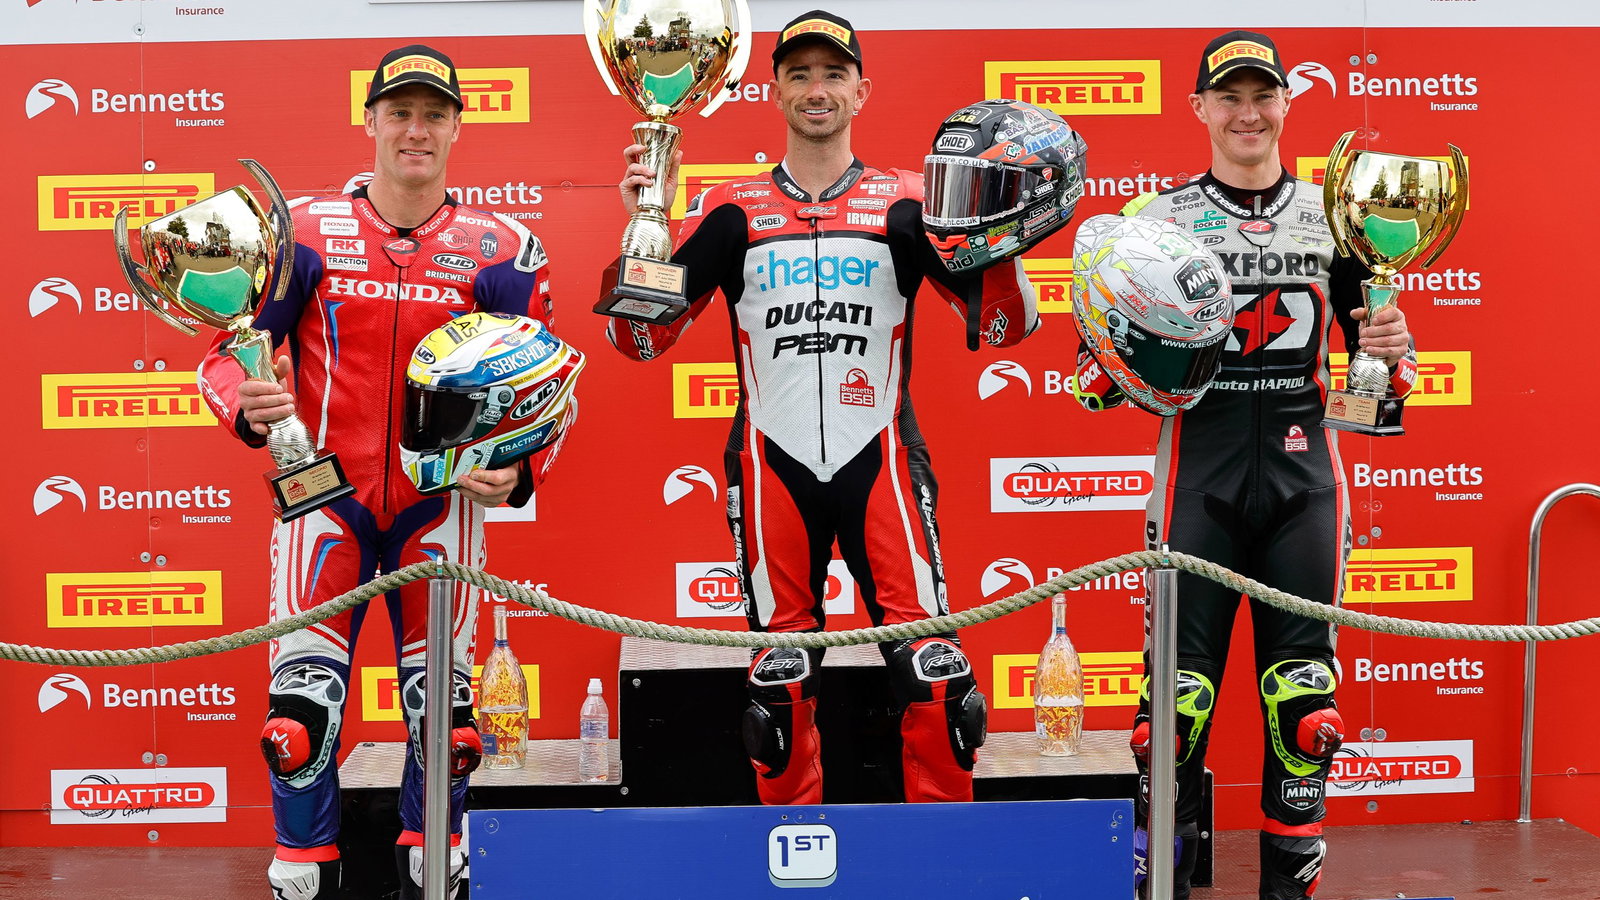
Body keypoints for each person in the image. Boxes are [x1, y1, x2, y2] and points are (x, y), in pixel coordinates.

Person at [608, 10, 1044, 805]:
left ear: (861, 90)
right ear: (772, 89)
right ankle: (795, 864)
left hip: (883, 461)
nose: (817, 89)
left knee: (936, 677)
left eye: (833, 74)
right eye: (799, 73)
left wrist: (1002, 243)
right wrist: (645, 222)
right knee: (777, 691)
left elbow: (1007, 329)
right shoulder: (731, 209)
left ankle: (941, 863)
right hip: (766, 465)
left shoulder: (911, 205)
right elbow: (640, 345)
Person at [196, 45, 564, 900]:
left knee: (449, 728)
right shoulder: (303, 232)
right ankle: (303, 880)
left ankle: (432, 876)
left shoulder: (502, 248)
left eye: (434, 113)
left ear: (459, 127)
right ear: (369, 120)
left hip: (438, 513)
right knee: (299, 723)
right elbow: (225, 347)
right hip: (322, 505)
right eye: (399, 111)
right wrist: (240, 401)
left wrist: (523, 470)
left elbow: (550, 388)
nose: (416, 129)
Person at [1071, 31, 1418, 900]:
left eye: (1263, 95)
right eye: (1229, 97)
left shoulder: (1339, 216)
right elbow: (1097, 381)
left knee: (1306, 717)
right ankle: (1166, 888)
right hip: (1196, 484)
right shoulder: (1157, 222)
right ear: (1199, 110)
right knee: (1172, 719)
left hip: (1307, 488)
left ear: (1286, 105)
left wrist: (1390, 351)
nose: (1248, 113)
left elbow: (1382, 387)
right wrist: (1112, 371)